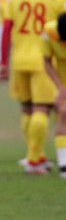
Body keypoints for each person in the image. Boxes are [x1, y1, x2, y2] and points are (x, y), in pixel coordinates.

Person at [0, 0, 66, 174]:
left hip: (19, 58)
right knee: (41, 109)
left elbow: (6, 29)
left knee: (27, 109)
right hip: (43, 59)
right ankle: (34, 160)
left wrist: (2, 62)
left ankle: (35, 156)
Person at [41, 12, 66, 178]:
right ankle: (64, 165)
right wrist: (60, 87)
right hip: (63, 78)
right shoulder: (48, 32)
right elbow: (47, 62)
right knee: (64, 113)